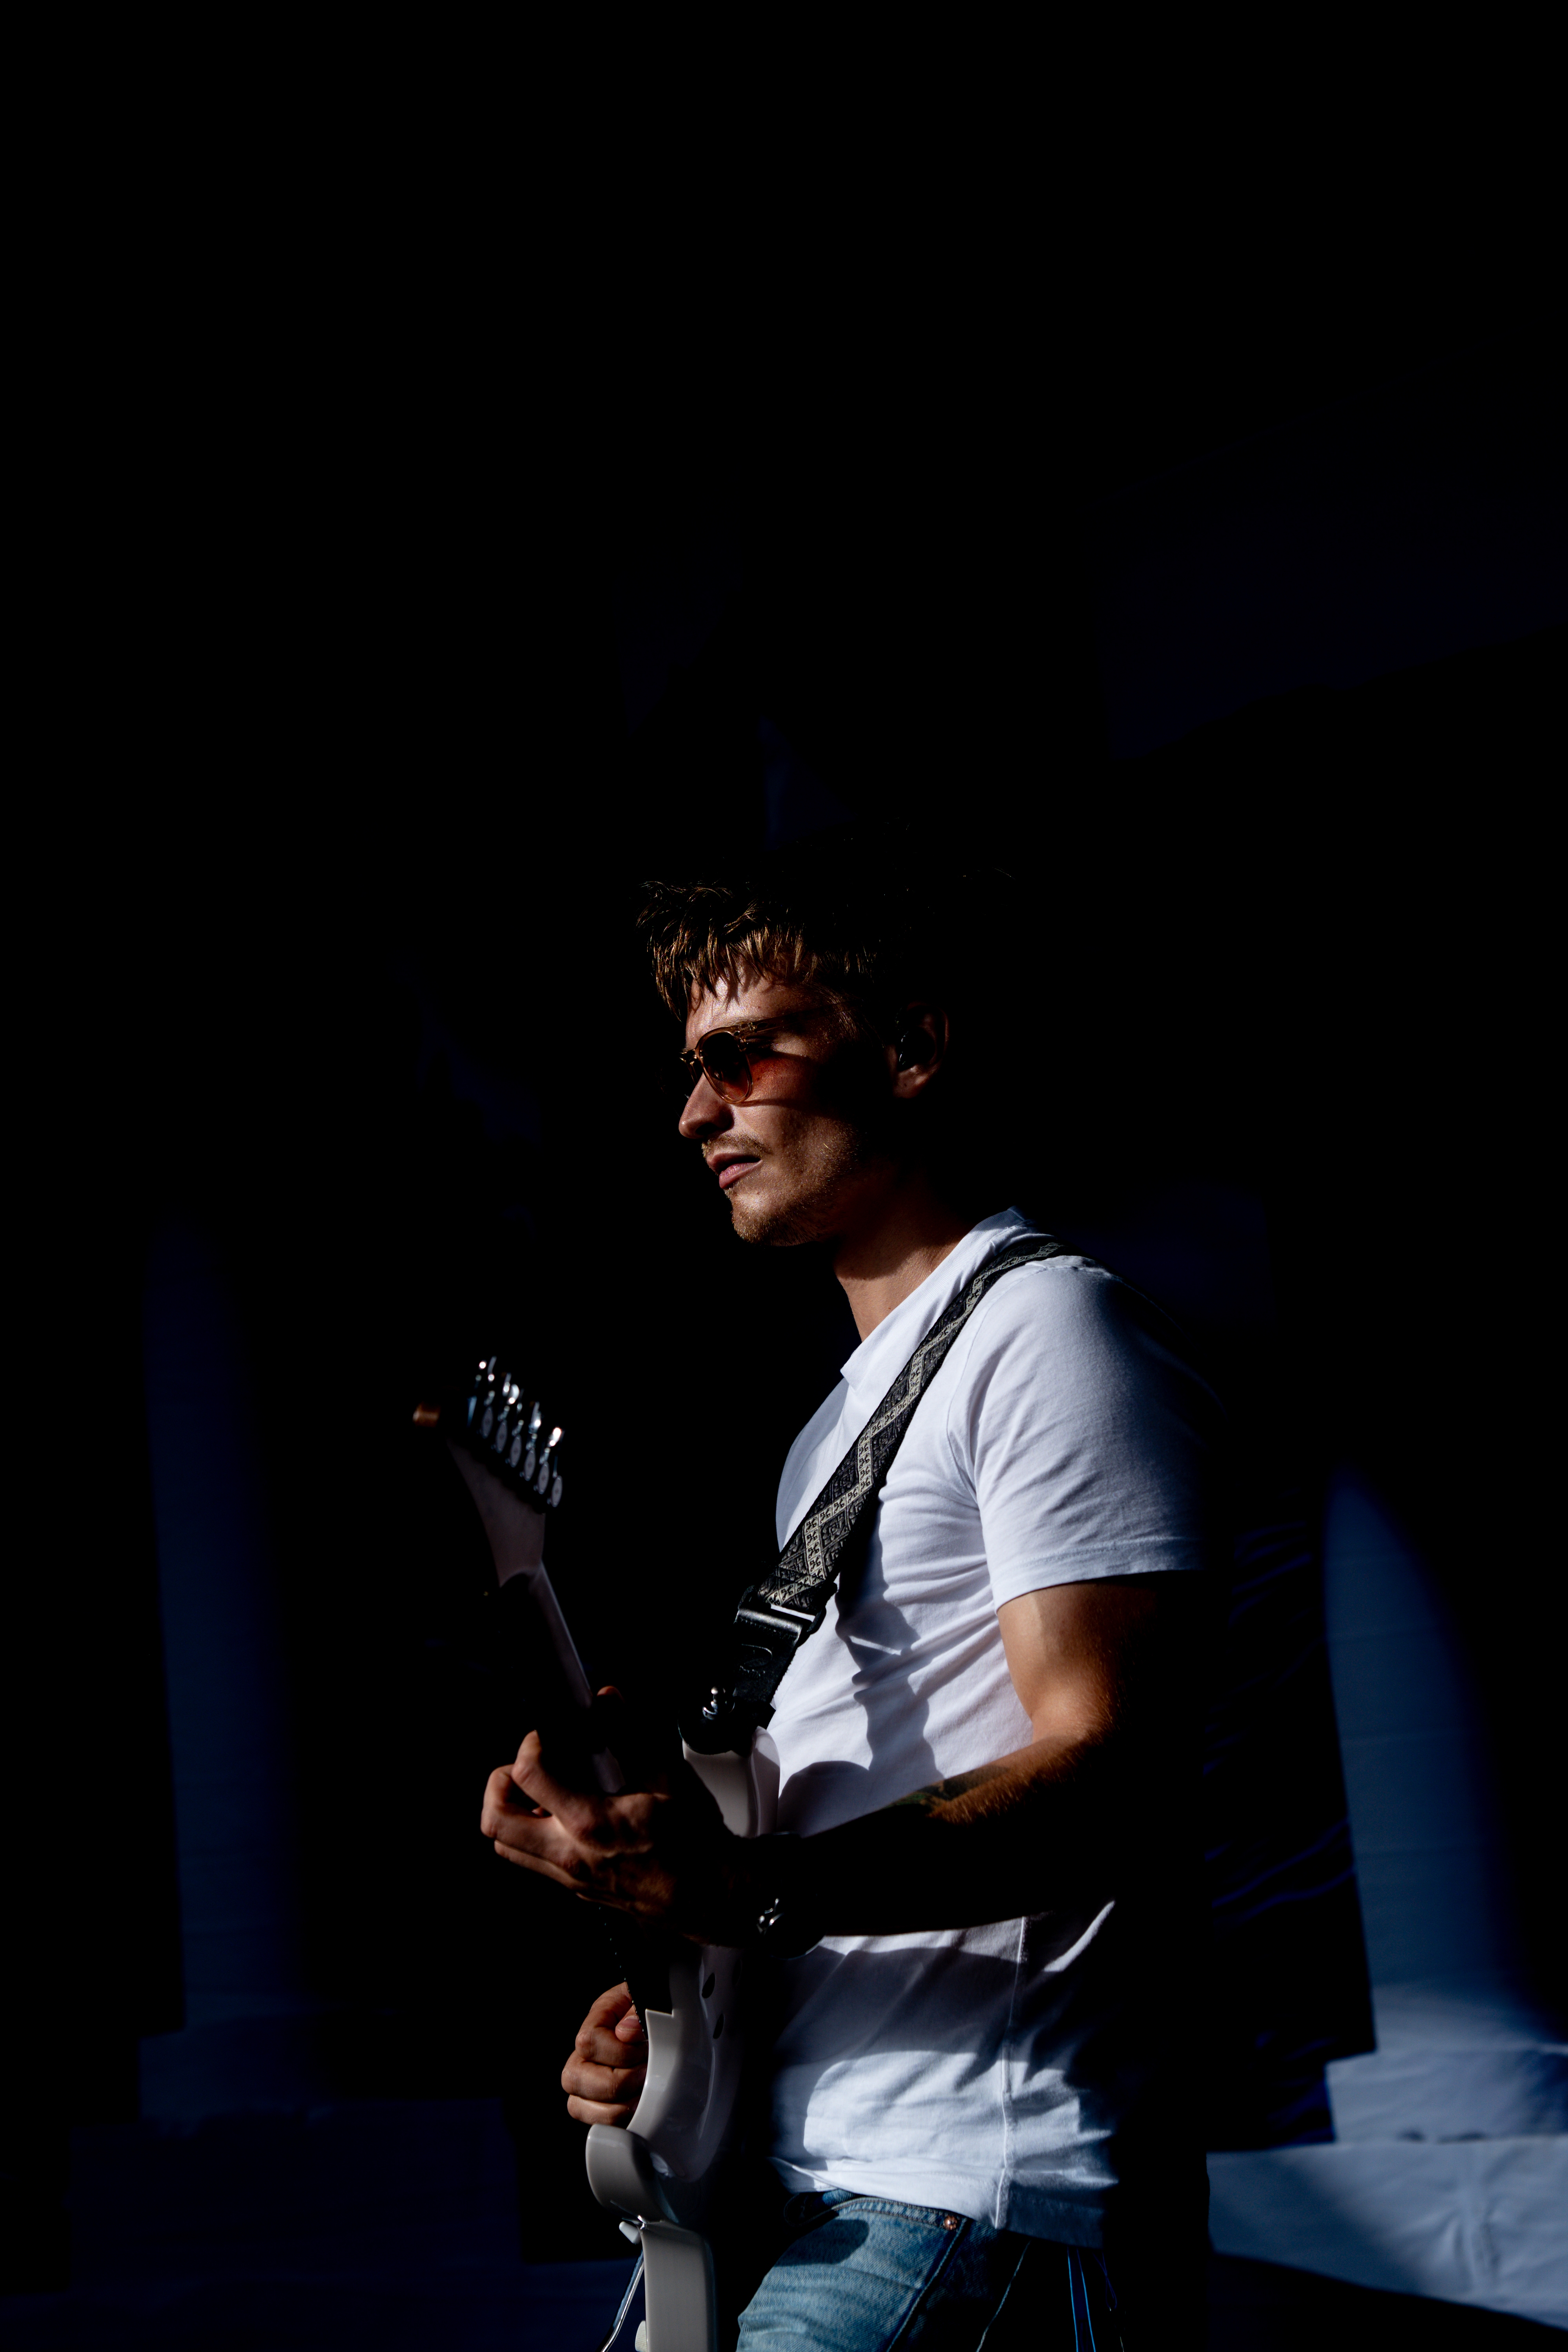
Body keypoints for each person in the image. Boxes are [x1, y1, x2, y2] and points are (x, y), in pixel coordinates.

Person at [481, 850, 1226, 2347]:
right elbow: (819, 1852)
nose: (697, 1114)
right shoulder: (839, 1428)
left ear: (909, 1047)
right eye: (689, 1074)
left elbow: (1119, 1771)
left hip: (973, 2189)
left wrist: (745, 1893)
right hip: (802, 2180)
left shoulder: (1048, 1330)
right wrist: (677, 2007)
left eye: (740, 1056)